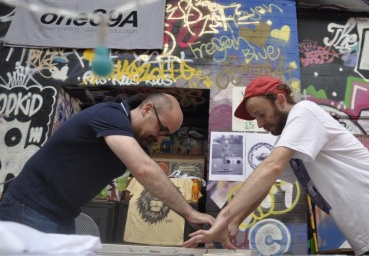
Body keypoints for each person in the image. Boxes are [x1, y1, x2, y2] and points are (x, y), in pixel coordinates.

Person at [183, 76, 369, 256]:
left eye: (260, 114)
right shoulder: (295, 146)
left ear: (281, 99)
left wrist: (225, 217)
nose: (260, 123)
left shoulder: (304, 112)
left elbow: (271, 167)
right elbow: (263, 183)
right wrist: (231, 223)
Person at [0, 93, 214, 234]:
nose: (160, 137)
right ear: (147, 109)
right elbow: (144, 169)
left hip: (61, 215)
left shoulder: (131, 137)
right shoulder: (110, 115)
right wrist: (190, 213)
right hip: (30, 206)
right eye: (162, 129)